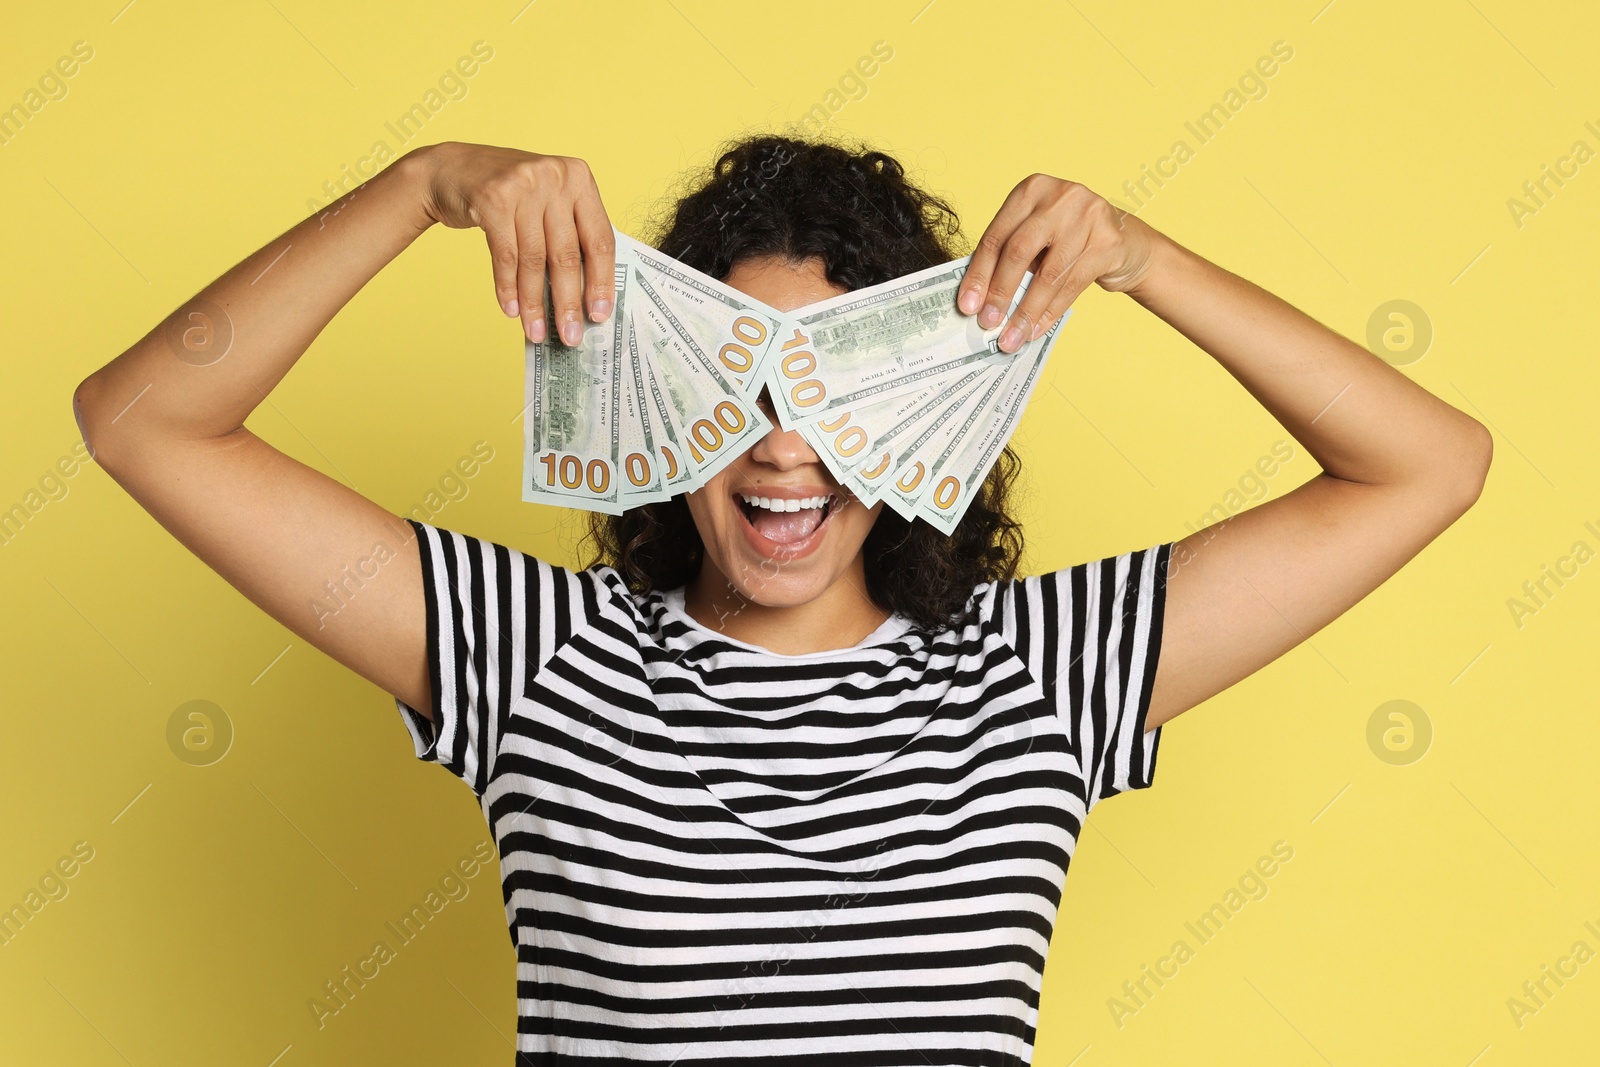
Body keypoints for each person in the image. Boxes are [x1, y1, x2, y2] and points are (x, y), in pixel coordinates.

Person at [72, 134, 1491, 1064]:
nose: (785, 445)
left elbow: (1428, 464)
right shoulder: (533, 656)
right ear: (663, 396)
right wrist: (424, 183)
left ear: (926, 414)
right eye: (744, 382)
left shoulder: (1045, 669)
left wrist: (1142, 261)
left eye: (840, 389)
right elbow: (143, 421)